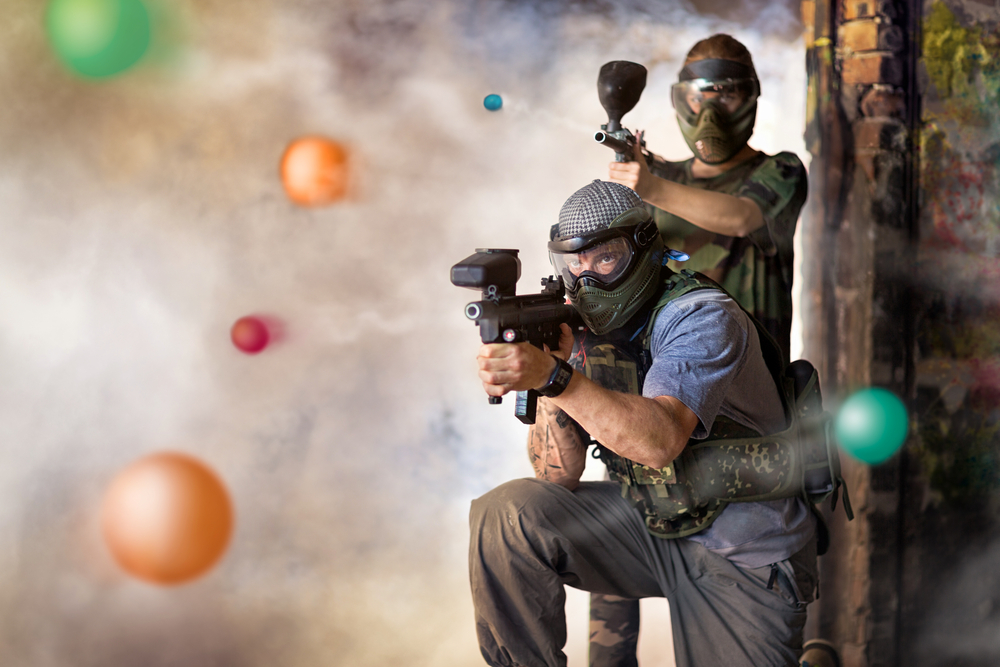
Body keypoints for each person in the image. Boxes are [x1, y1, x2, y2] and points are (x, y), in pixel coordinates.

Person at [469, 180, 817, 667]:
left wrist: (554, 376)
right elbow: (557, 476)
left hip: (744, 553)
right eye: (575, 264)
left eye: (605, 258)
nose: (586, 279)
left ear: (643, 250)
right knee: (508, 515)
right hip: (654, 524)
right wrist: (552, 370)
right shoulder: (586, 330)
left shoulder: (700, 317)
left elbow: (659, 442)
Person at [597, 34, 810, 664]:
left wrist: (650, 185)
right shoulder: (655, 178)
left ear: (753, 98)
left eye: (729, 93)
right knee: (610, 557)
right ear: (678, 101)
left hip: (746, 421)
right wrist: (633, 180)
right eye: (700, 96)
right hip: (656, 404)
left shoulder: (779, 173)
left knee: (743, 588)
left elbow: (740, 217)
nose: (712, 111)